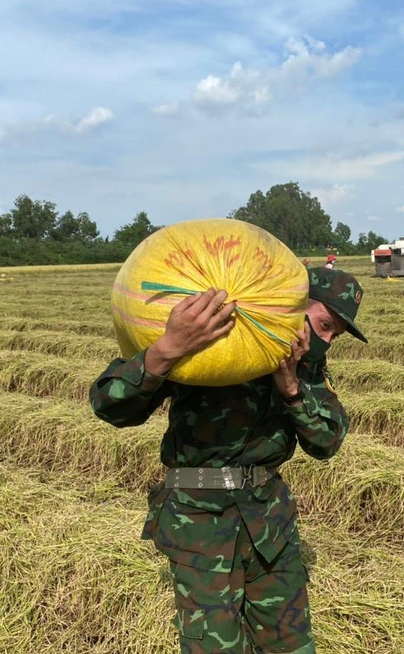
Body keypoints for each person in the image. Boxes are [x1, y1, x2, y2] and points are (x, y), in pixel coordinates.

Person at [90, 267, 367, 653]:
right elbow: (110, 406)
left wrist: (292, 389)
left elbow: (327, 442)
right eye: (323, 324)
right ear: (289, 306)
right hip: (200, 523)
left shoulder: (305, 365)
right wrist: (168, 348)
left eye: (333, 334)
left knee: (291, 644)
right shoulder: (209, 346)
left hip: (270, 524)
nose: (325, 340)